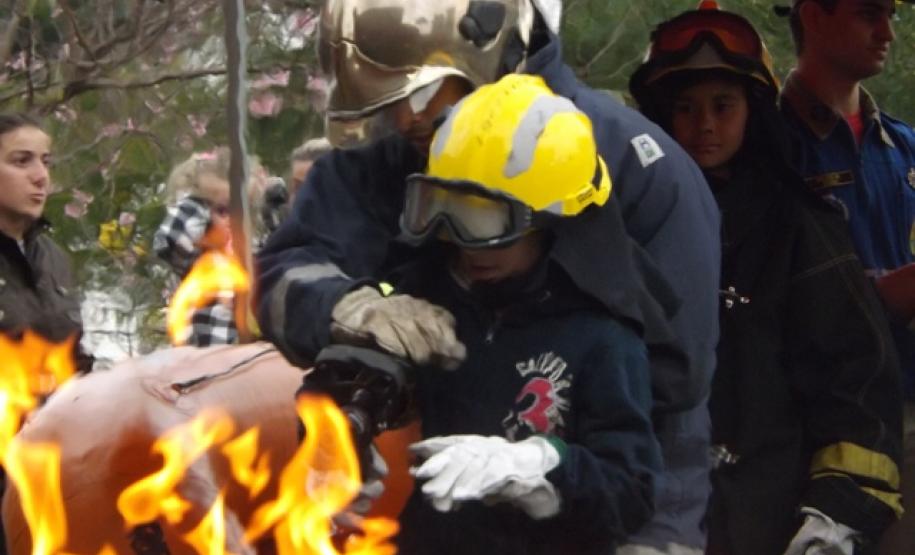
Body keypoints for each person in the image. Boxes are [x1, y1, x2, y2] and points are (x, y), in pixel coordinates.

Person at [257, 2, 721, 552]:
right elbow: (289, 271)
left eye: (421, 92)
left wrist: (540, 461)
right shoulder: (390, 155)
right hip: (447, 517)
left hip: (633, 508)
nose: (405, 120)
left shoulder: (630, 162)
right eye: (385, 99)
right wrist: (352, 357)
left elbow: (673, 384)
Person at [337, 73, 661, 554]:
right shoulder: (433, 297)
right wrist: (344, 427)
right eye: (450, 212)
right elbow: (363, 378)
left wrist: (543, 468)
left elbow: (631, 489)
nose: (468, 245)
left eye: (486, 220)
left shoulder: (601, 335)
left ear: (549, 220)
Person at [629, 2, 903, 553]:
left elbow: (855, 374)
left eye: (723, 105)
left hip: (773, 517)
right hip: (649, 511)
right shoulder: (626, 227)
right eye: (685, 107)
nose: (705, 124)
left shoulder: (800, 227)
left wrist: (837, 512)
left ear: (754, 111)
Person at [774, 1, 915, 553]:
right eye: (868, 13)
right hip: (809, 431)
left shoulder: (902, 145)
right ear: (814, 14)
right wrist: (886, 295)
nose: (887, 33)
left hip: (903, 412)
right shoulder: (766, 141)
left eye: (891, 15)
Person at [0, 112, 89, 366]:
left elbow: (72, 358)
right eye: (22, 161)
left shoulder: (53, 257)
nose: (41, 177)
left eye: (45, 162)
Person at [153, 147, 266, 346]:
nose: (232, 220)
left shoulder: (249, 251)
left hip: (245, 354)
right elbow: (169, 238)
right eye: (222, 210)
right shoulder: (196, 256)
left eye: (240, 210)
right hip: (200, 356)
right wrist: (198, 208)